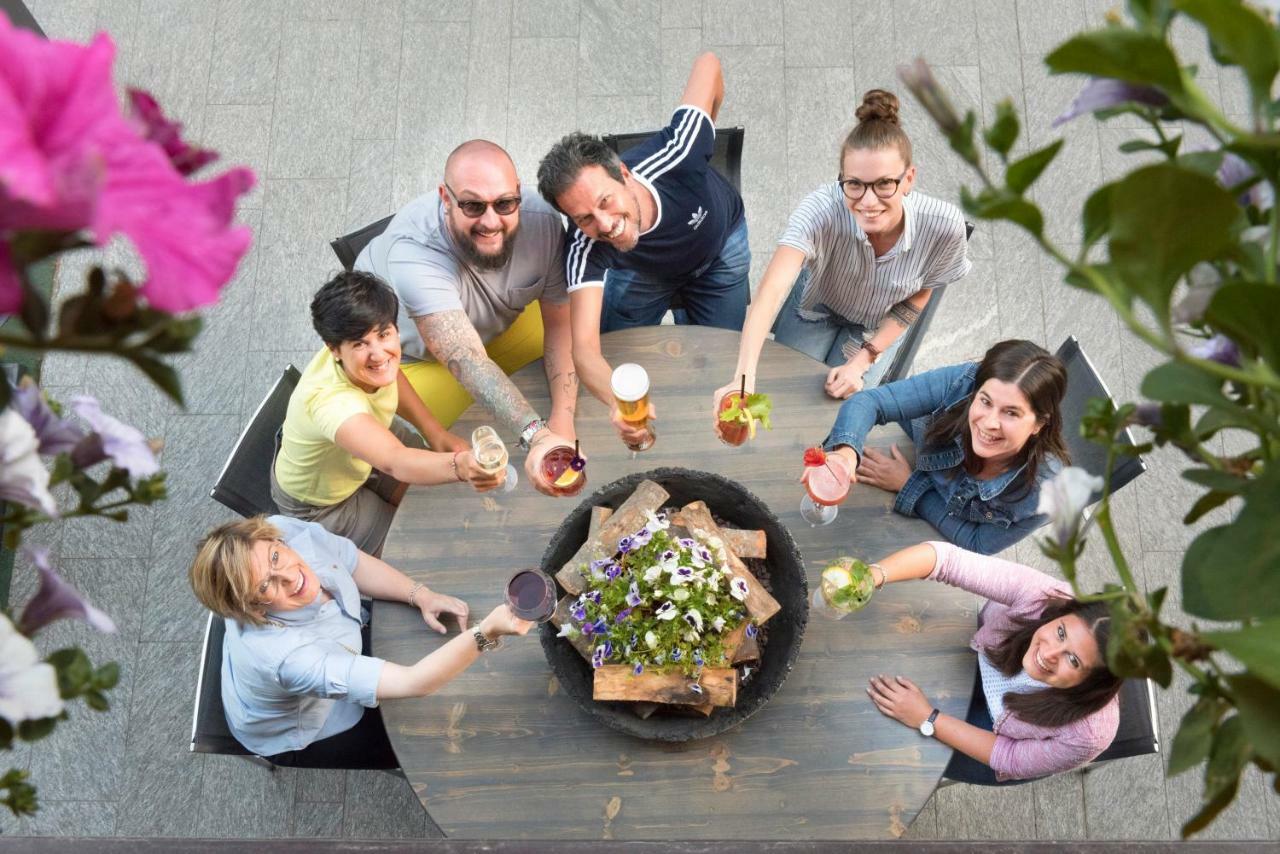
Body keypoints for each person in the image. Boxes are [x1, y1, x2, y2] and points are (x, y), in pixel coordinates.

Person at [189, 515, 532, 768]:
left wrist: (420, 594)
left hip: (330, 651)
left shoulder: (282, 530)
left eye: (276, 558)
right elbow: (415, 682)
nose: (291, 578)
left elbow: (349, 561)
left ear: (273, 540)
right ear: (252, 607)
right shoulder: (288, 658)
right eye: (266, 586)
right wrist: (487, 633)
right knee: (434, 745)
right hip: (311, 725)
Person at [714, 89, 970, 415]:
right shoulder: (821, 209)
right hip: (815, 309)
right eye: (854, 184)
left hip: (875, 326)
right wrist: (744, 376)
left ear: (908, 179)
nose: (867, 201)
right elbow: (771, 292)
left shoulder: (943, 226)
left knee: (839, 408)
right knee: (784, 392)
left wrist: (864, 358)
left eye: (884, 184)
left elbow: (921, 294)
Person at [537, 52, 748, 446]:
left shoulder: (681, 152)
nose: (604, 226)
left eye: (604, 202)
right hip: (645, 274)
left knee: (723, 355)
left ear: (624, 174)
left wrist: (708, 135)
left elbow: (708, 63)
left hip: (720, 251)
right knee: (618, 349)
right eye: (583, 217)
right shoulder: (585, 244)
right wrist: (617, 402)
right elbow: (584, 351)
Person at [356, 140, 578, 496]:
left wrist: (562, 420)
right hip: (425, 361)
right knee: (480, 472)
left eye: (505, 203)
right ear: (446, 198)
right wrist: (538, 435)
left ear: (519, 194)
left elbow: (560, 319)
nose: (491, 222)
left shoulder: (543, 221)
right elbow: (465, 358)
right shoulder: (413, 254)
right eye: (473, 205)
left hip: (503, 327)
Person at [271, 271, 501, 557]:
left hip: (366, 447)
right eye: (360, 344)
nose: (379, 354)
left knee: (446, 502)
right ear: (334, 350)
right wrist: (460, 465)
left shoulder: (360, 358)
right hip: (324, 502)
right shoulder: (331, 403)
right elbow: (395, 461)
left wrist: (435, 432)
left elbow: (388, 374)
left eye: (383, 334)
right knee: (419, 549)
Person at [861, 540, 1121, 783]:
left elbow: (1009, 757)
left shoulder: (1088, 735)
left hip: (998, 738)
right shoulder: (1044, 597)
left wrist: (926, 718)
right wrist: (872, 576)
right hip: (983, 660)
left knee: (891, 751)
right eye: (1061, 632)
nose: (1049, 653)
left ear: (1090, 683)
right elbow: (947, 560)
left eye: (1073, 660)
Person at [819, 339, 1069, 555]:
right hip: (908, 452)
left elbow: (978, 544)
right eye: (985, 401)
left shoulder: (1046, 494)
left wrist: (909, 485)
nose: (989, 423)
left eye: (1011, 413)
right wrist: (844, 454)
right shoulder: (963, 382)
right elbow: (869, 402)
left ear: (1039, 423)